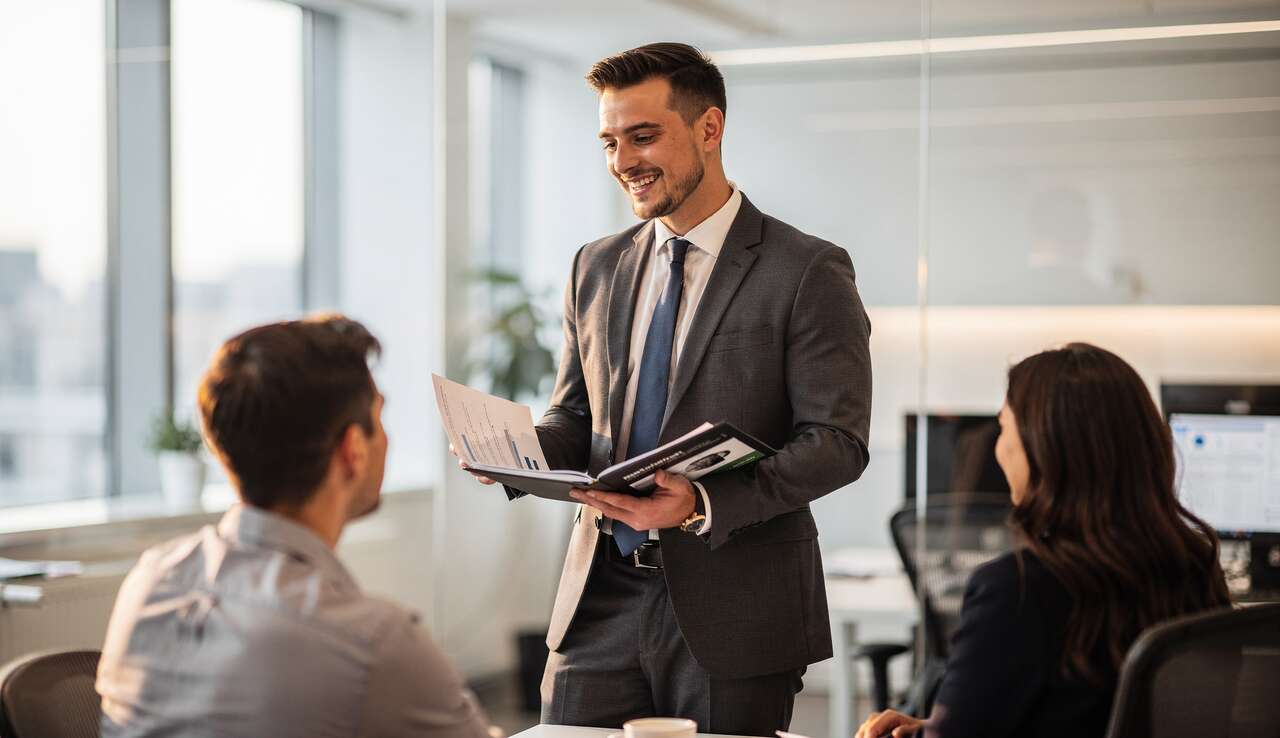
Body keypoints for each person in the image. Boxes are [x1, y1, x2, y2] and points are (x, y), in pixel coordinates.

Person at [461, 43, 872, 735]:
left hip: (735, 604)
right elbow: (578, 415)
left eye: (644, 136)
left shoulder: (805, 269)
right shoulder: (596, 266)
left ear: (709, 129)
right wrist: (515, 451)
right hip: (599, 599)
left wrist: (701, 503)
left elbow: (838, 442)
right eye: (610, 142)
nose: (624, 161)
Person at [97, 315, 496, 738]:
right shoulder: (374, 642)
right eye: (379, 419)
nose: (387, 439)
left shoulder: (151, 581)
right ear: (353, 450)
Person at [856, 343, 1231, 738]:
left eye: (1002, 428)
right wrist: (932, 728)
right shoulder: (1194, 565)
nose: (997, 449)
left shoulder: (1015, 589)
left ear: (1042, 451)